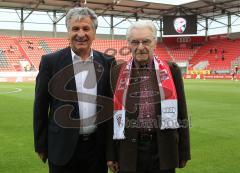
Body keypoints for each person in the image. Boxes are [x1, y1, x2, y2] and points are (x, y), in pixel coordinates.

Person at [33, 7, 115, 173]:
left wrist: (112, 151)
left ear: (94, 33)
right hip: (62, 148)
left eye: (86, 28)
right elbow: (40, 106)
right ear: (68, 32)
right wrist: (40, 145)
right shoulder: (51, 62)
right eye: (75, 28)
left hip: (97, 150)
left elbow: (112, 109)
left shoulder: (108, 62)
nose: (80, 34)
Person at [107, 20, 191, 173]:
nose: (140, 47)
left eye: (145, 41)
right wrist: (111, 154)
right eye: (135, 42)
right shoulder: (116, 72)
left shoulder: (172, 70)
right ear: (128, 44)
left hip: (164, 149)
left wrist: (184, 151)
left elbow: (182, 112)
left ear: (155, 42)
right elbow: (110, 117)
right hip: (128, 150)